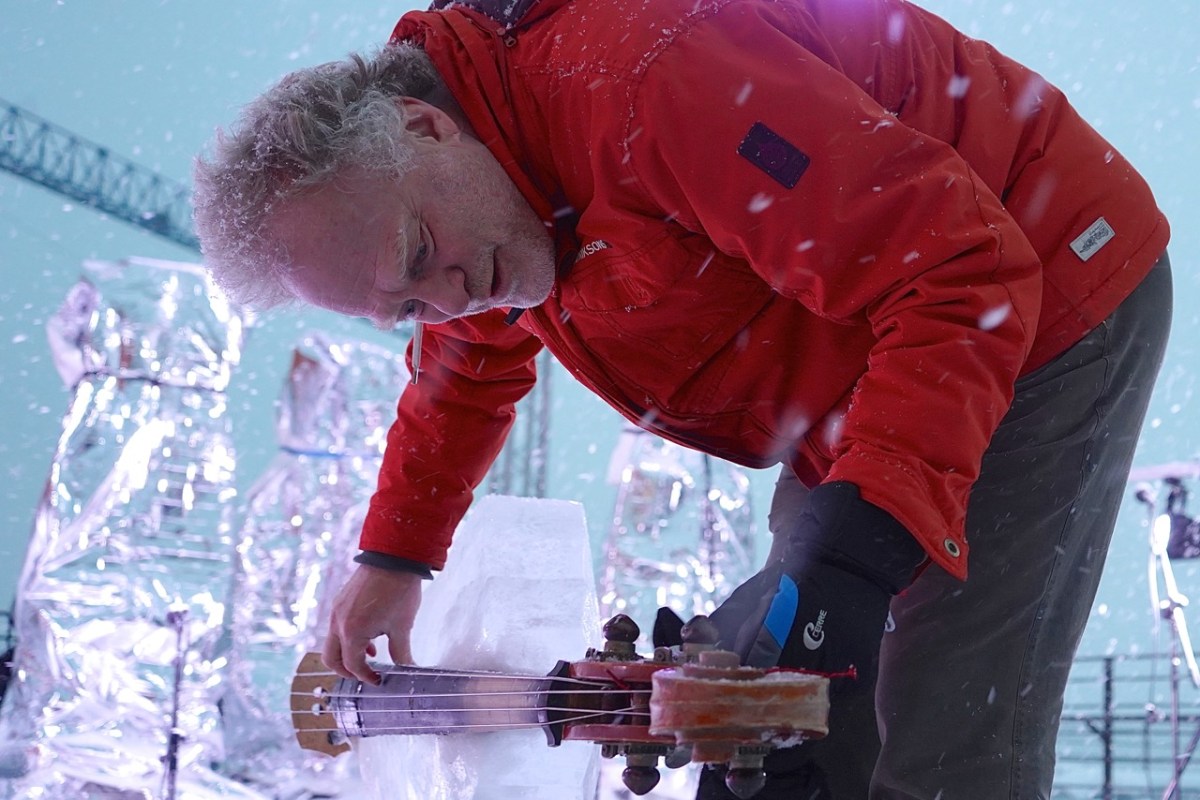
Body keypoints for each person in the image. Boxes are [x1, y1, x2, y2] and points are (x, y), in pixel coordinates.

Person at [192, 0, 1172, 796]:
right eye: (404, 307)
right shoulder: (474, 198)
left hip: (1040, 292)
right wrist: (394, 557)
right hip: (877, 348)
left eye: (419, 255)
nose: (444, 299)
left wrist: (858, 550)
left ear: (424, 123)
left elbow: (959, 267)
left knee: (941, 720)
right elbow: (465, 362)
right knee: (790, 713)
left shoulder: (651, 80)